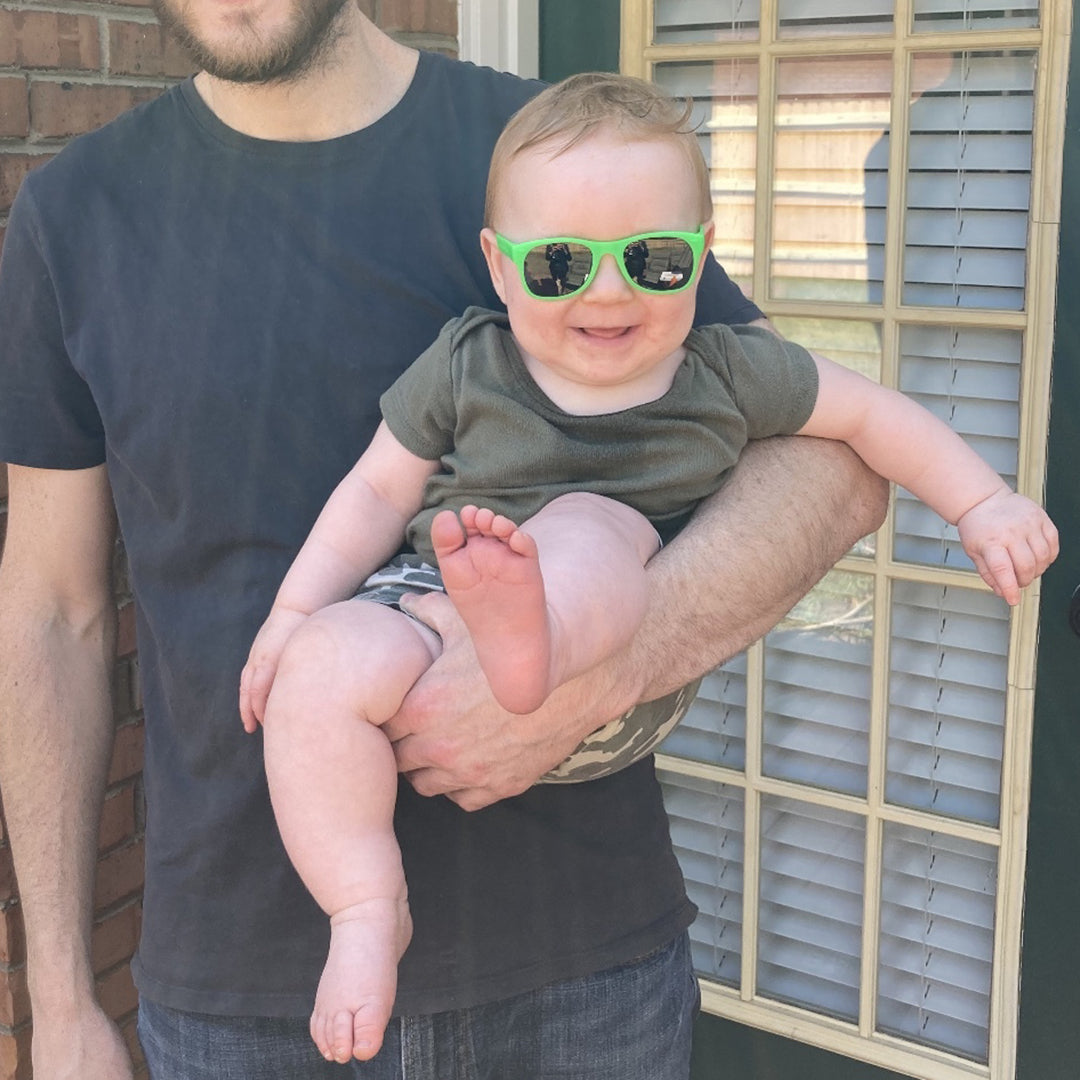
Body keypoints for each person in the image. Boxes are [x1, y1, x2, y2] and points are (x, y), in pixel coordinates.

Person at [0, 4, 890, 1079]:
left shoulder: (552, 154)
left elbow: (834, 465)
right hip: (238, 1000)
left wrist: (603, 668)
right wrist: (60, 995)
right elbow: (51, 613)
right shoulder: (74, 216)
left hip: (577, 973)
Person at [238, 72, 1058, 1066]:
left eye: (653, 260)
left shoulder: (727, 371)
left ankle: (533, 643)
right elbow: (376, 492)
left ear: (700, 258)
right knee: (319, 675)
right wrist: (295, 614)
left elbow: (874, 419)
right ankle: (367, 908)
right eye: (560, 265)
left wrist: (982, 502)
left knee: (584, 527)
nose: (608, 292)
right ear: (501, 268)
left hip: (611, 642)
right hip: (432, 601)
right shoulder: (468, 361)